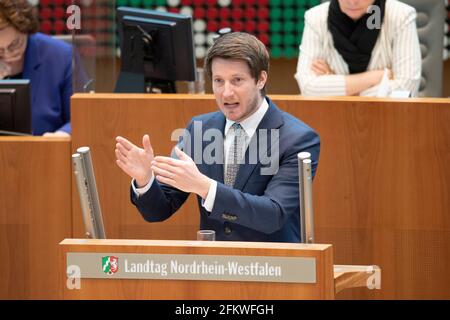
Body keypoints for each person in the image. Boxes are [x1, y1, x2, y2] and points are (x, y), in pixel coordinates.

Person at [115, 32, 320, 242]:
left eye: (237, 80)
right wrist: (145, 180)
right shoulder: (200, 129)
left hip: (272, 268)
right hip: (214, 266)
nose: (226, 93)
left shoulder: (297, 139)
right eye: (218, 81)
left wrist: (204, 187)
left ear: (260, 79)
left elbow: (273, 215)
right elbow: (158, 211)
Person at [295, 0, 421, 97]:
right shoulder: (315, 18)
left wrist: (335, 84)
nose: (353, 1)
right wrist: (374, 78)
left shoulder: (401, 16)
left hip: (388, 119)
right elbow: (308, 88)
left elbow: (406, 88)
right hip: (334, 118)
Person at [0, 0, 72, 136]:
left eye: (14, 44)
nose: (8, 54)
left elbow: (81, 115)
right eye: (0, 50)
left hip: (47, 150)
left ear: (26, 30)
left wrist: (62, 134)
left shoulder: (61, 56)